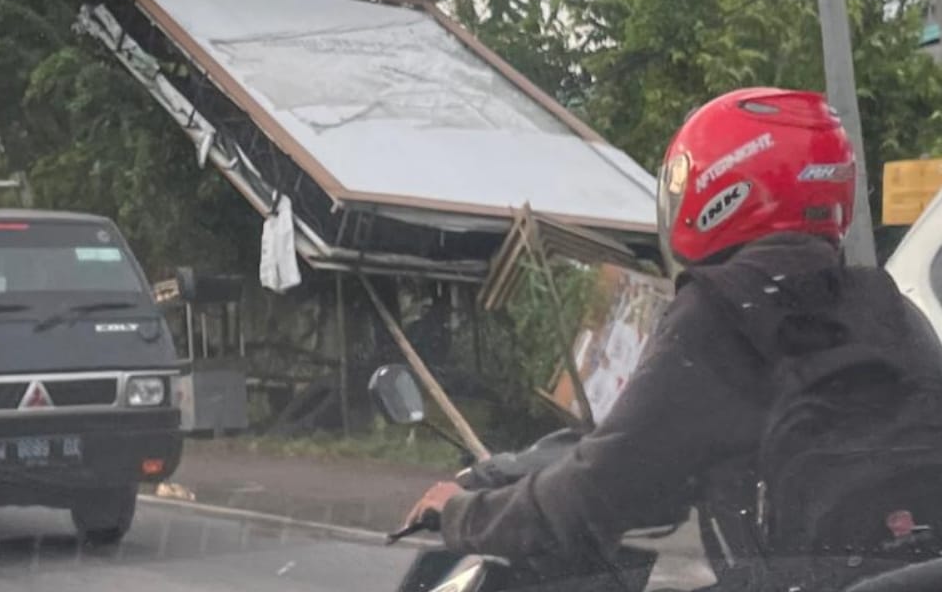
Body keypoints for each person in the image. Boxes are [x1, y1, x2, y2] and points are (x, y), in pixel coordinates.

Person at [402, 87, 942, 573]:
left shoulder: (723, 313)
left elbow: (599, 490)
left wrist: (460, 514)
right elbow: (657, 456)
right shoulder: (887, 306)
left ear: (721, 189)